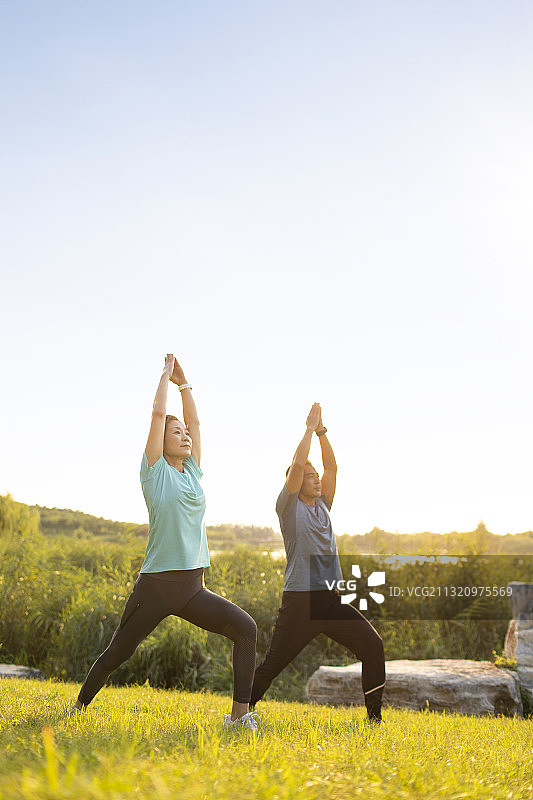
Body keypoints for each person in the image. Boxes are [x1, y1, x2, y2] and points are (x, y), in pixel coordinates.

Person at [71, 354, 259, 730]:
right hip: (156, 586)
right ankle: (77, 708)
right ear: (161, 441)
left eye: (185, 434)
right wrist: (163, 378)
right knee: (119, 652)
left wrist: (185, 384)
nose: (186, 436)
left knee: (246, 629)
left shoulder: (192, 472)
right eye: (177, 434)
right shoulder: (154, 473)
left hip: (192, 587)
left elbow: (196, 422)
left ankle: (239, 717)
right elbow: (159, 417)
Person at [249, 403, 385, 723]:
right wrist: (308, 430)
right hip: (301, 601)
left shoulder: (323, 505)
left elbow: (333, 470)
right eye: (310, 477)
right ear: (296, 484)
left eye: (315, 476)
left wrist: (323, 432)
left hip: (330, 601)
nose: (316, 480)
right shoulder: (288, 508)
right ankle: (242, 710)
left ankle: (374, 719)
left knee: (373, 647)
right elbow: (298, 464)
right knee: (272, 664)